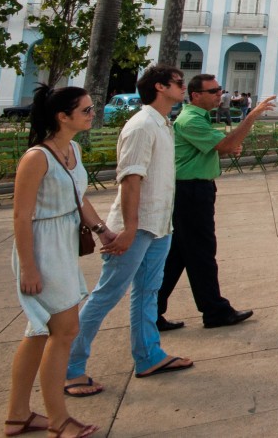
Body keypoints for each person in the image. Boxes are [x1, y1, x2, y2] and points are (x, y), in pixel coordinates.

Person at [65, 65, 193, 395]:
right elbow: (130, 178)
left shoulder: (162, 123)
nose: (184, 87)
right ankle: (70, 367)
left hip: (159, 224)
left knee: (147, 293)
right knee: (106, 295)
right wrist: (128, 228)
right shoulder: (141, 125)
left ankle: (149, 355)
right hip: (137, 227)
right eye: (179, 83)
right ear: (161, 87)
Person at [5, 85, 111, 438]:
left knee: (39, 333)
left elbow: (79, 198)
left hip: (63, 243)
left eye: (91, 108)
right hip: (41, 247)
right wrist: (29, 267)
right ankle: (58, 419)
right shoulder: (37, 157)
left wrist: (102, 230)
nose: (92, 114)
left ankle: (17, 415)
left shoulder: (73, 150)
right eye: (85, 110)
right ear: (62, 117)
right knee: (64, 330)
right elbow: (21, 217)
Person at [157, 75, 275, 330]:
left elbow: (220, 148)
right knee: (201, 252)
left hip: (194, 189)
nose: (218, 95)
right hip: (191, 191)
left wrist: (228, 146)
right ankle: (215, 310)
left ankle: (153, 309)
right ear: (195, 95)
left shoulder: (198, 118)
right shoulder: (190, 120)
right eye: (212, 91)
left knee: (178, 255)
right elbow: (226, 144)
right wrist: (251, 116)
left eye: (219, 90)